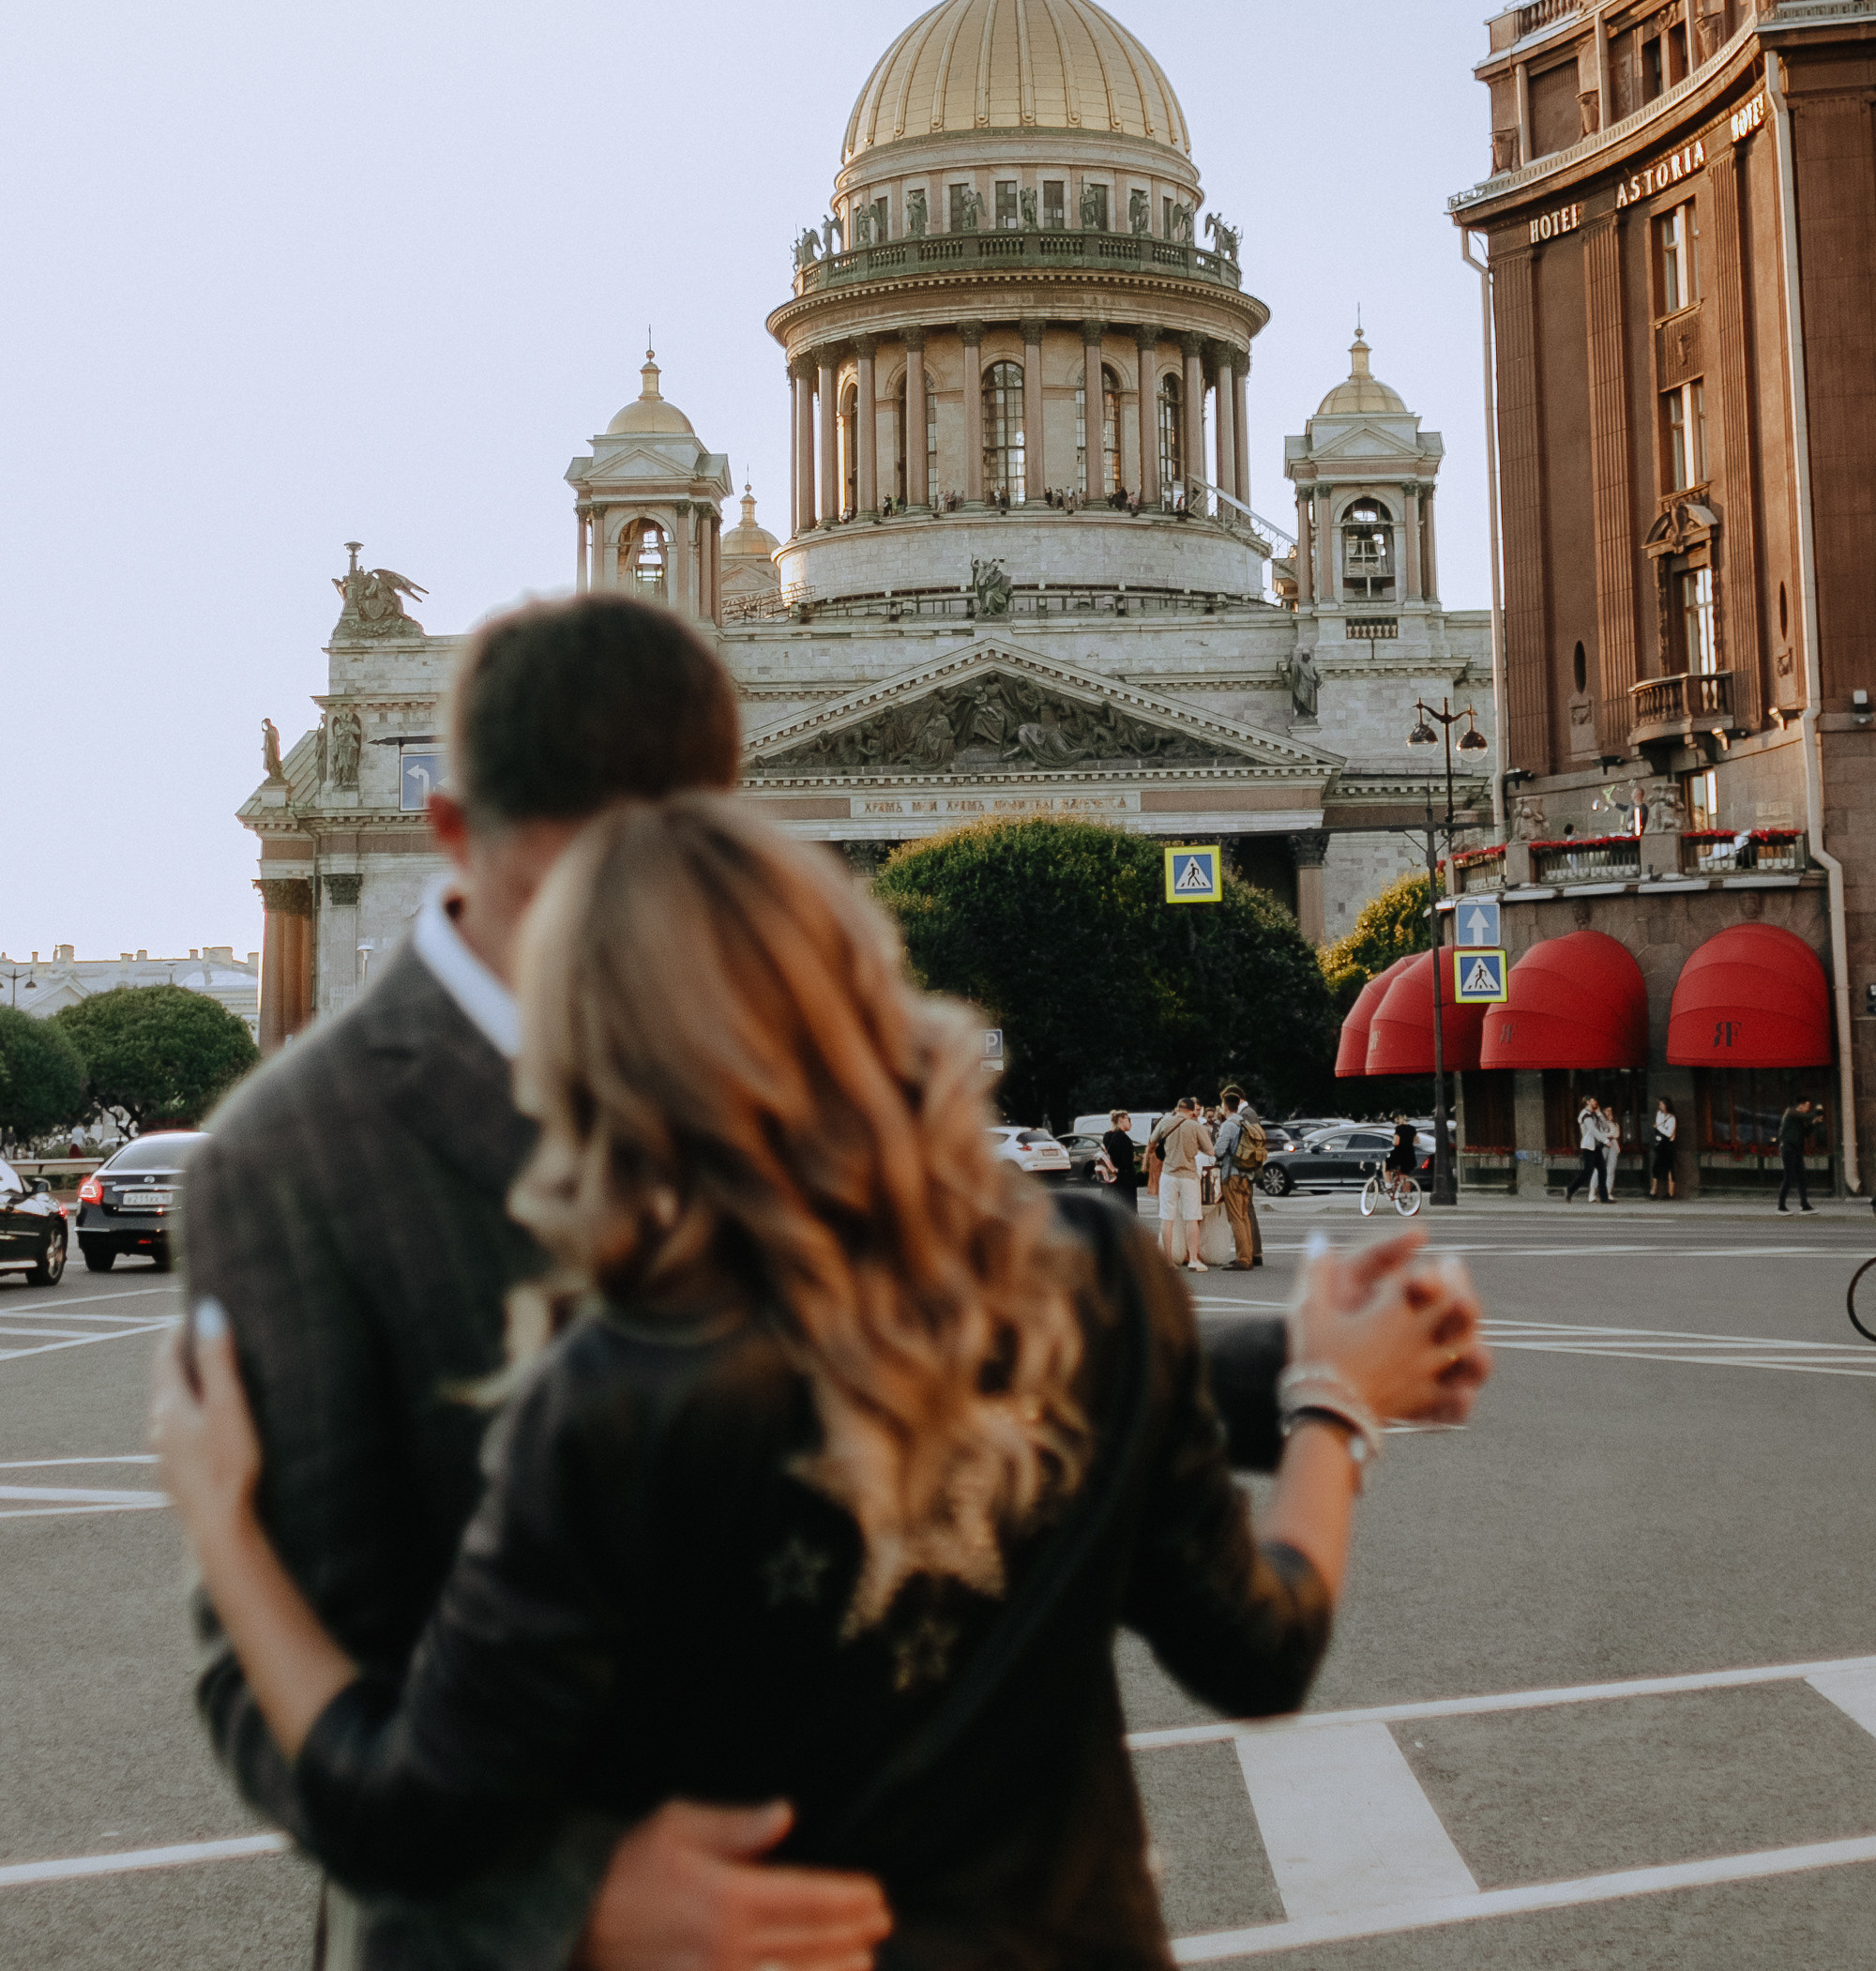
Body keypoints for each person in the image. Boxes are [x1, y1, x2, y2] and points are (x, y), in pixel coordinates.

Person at [156, 797, 1488, 1970]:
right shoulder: (1085, 1277)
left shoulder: (613, 1394)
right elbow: (1263, 1652)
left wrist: (228, 1533)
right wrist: (1329, 1397)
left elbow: (402, 1806)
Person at [180, 595, 892, 1971]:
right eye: (582, 865)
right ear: (452, 830)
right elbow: (273, 1676)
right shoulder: (290, 1159)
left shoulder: (778, 1077)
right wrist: (583, 1905)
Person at [1151, 1097, 1214, 1272]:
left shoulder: (1165, 1122)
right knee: (1191, 1217)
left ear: (1178, 1108)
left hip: (1168, 1174)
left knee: (1167, 1217)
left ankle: (1168, 1260)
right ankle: (1193, 1259)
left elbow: (1152, 1141)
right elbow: (1209, 1150)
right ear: (1193, 1110)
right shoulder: (1195, 1126)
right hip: (1188, 1175)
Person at [1212, 1088, 1264, 1268]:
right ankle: (1248, 1255)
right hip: (1246, 1175)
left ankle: (1243, 1258)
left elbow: (1218, 1151)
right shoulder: (1246, 1123)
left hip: (1231, 1175)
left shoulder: (1229, 1125)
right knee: (1244, 1217)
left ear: (1226, 1107)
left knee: (1235, 1218)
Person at [1778, 1097, 1818, 1213]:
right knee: (1788, 1177)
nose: (1808, 1109)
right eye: (1807, 1106)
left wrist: (1814, 1124)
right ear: (1801, 1105)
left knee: (1802, 1177)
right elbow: (1808, 1116)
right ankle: (1781, 1206)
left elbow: (1806, 1133)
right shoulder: (1791, 1112)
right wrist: (1817, 1111)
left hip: (1797, 1149)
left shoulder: (1799, 1118)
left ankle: (1804, 1205)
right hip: (1788, 1149)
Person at [1100, 1109, 1140, 1215]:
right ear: (1120, 1121)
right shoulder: (1122, 1138)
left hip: (1111, 1177)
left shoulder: (1107, 1136)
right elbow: (1124, 1160)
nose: (1131, 1123)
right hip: (1124, 1179)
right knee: (1127, 1210)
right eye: (1129, 1119)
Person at [1566, 1094, 1601, 1203]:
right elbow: (1592, 1130)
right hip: (1589, 1146)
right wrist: (1605, 1140)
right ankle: (1571, 1189)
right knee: (1587, 1173)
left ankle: (1599, 1194)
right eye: (1592, 1100)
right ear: (1587, 1102)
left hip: (1596, 1146)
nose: (1594, 1102)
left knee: (1601, 1170)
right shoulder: (1585, 1115)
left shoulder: (1593, 1114)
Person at [1650, 1096, 1677, 1200]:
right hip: (1660, 1145)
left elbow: (1669, 1133)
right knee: (1656, 1167)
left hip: (1668, 1146)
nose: (1660, 1106)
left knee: (1670, 1168)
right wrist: (1660, 1127)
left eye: (1661, 1104)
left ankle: (1670, 1193)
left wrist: (1660, 1128)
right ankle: (1653, 1192)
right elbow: (1658, 1124)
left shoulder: (1672, 1118)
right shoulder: (1659, 1114)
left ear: (1666, 1105)